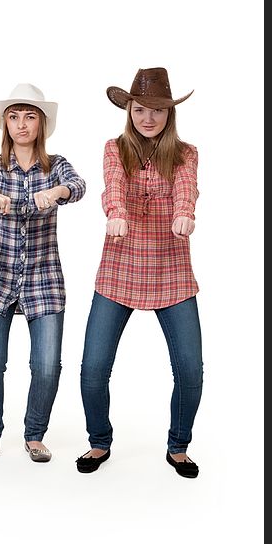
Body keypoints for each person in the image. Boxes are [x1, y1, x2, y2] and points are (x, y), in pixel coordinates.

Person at [76, 67, 203, 477]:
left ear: (170, 114)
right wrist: (116, 213)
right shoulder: (115, 148)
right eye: (139, 109)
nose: (147, 118)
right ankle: (99, 442)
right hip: (119, 269)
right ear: (128, 109)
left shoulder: (186, 153)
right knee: (93, 368)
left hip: (172, 270)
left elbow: (186, 188)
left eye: (157, 110)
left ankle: (178, 445)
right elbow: (112, 185)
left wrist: (185, 214)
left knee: (190, 368)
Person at [0, 83, 86, 463]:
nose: (21, 124)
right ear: (6, 123)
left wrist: (58, 193)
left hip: (44, 278)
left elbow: (78, 185)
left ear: (42, 123)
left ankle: (35, 435)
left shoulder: (56, 165)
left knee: (47, 365)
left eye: (30, 116)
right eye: (14, 117)